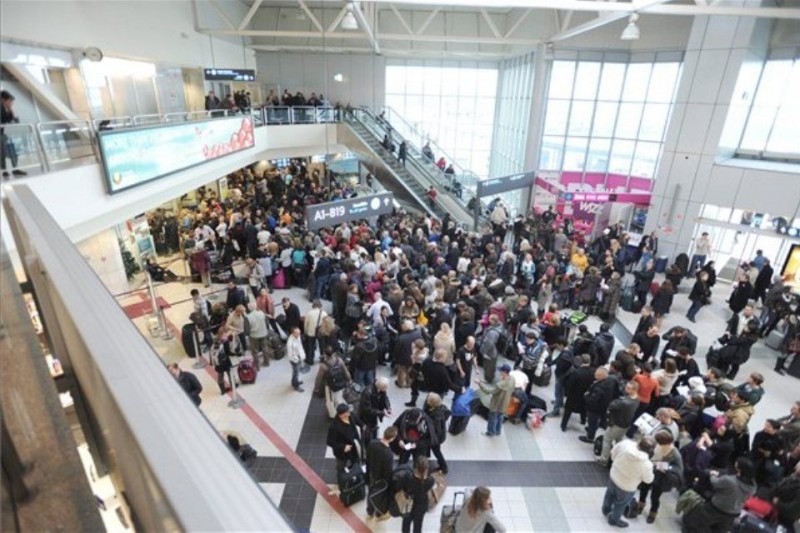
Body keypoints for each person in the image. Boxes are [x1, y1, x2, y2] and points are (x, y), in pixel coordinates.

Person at [682, 457, 756, 533]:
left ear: (739, 469)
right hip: (734, 513)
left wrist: (712, 474)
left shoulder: (730, 480)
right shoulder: (752, 487)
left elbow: (715, 483)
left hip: (717, 507)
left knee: (700, 522)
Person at [601, 436, 655, 528]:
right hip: (627, 487)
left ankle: (605, 509)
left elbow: (613, 453)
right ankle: (613, 520)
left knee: (609, 495)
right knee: (620, 505)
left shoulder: (625, 444)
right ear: (651, 450)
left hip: (614, 476)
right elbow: (648, 480)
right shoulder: (647, 464)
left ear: (639, 442)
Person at [633, 430, 683, 524]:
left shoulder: (675, 454)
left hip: (662, 479)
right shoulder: (660, 446)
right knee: (644, 489)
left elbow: (679, 470)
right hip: (652, 472)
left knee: (655, 497)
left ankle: (653, 513)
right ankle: (640, 505)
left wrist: (666, 467)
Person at [598, 381, 641, 466]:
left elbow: (611, 406)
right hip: (626, 425)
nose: (625, 389)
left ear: (634, 390)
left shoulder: (623, 402)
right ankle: (616, 458)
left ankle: (603, 460)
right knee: (619, 441)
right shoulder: (637, 400)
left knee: (607, 440)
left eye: (628, 388)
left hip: (616, 424)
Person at [580, 366, 619, 444]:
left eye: (596, 375)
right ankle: (593, 429)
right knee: (596, 421)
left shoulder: (599, 388)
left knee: (592, 422)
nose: (594, 375)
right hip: (604, 406)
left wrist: (586, 396)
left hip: (594, 409)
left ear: (601, 376)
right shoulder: (611, 381)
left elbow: (592, 400)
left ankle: (590, 437)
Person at [366, 426, 397, 521]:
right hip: (381, 480)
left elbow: (367, 459)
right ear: (392, 438)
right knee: (380, 496)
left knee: (371, 492)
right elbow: (388, 472)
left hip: (372, 474)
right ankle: (379, 513)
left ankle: (369, 512)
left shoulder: (372, 443)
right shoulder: (389, 454)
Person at [478, 364, 515, 437]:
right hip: (505, 404)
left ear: (505, 372)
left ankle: (490, 432)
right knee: (500, 417)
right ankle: (498, 431)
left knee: (492, 418)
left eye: (501, 371)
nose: (499, 372)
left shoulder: (500, 384)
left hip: (496, 404)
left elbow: (489, 391)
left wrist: (480, 384)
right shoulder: (512, 379)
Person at [561, 354, 595, 432]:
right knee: (583, 409)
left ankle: (563, 425)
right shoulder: (593, 372)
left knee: (568, 410)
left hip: (574, 395)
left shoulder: (576, 372)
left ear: (581, 361)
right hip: (585, 395)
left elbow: (569, 384)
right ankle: (583, 420)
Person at [400, 457, 435, 533]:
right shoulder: (431, 480)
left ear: (416, 467)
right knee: (418, 525)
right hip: (422, 505)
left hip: (408, 504)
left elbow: (402, 487)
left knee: (406, 524)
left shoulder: (408, 477)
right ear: (427, 469)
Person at [326, 403, 362, 472]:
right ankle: (341, 477)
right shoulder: (334, 427)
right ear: (341, 415)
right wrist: (343, 447)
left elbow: (357, 421)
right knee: (341, 465)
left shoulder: (350, 416)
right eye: (347, 412)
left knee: (354, 461)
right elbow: (329, 442)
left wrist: (363, 426)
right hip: (342, 451)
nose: (349, 413)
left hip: (353, 446)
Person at [1, 90, 26, 178]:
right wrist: (10, 111)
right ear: (3, 100)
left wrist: (10, 109)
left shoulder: (5, 109)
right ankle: (7, 171)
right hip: (1, 135)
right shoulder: (1, 109)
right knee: (4, 153)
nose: (11, 103)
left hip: (3, 134)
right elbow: (8, 120)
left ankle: (11, 170)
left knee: (8, 152)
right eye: (9, 101)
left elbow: (14, 120)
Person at [303, 299, 327, 366]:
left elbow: (306, 324)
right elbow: (326, 324)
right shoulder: (324, 313)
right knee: (322, 346)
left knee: (311, 346)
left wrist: (305, 332)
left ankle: (310, 360)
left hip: (311, 332)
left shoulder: (309, 313)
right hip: (321, 332)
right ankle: (323, 359)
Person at [246, 302, 269, 370]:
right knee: (265, 348)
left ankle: (257, 366)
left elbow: (247, 329)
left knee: (255, 351)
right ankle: (267, 362)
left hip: (254, 336)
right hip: (263, 333)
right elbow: (266, 322)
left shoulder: (248, 317)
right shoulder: (261, 313)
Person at [286, 327, 305, 392]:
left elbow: (300, 346)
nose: (299, 334)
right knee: (295, 373)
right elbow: (291, 354)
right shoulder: (290, 343)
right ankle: (296, 385)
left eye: (299, 332)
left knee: (296, 372)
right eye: (297, 333)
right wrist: (297, 359)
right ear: (293, 333)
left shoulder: (297, 337)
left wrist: (302, 356)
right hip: (294, 360)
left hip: (298, 357)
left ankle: (294, 382)